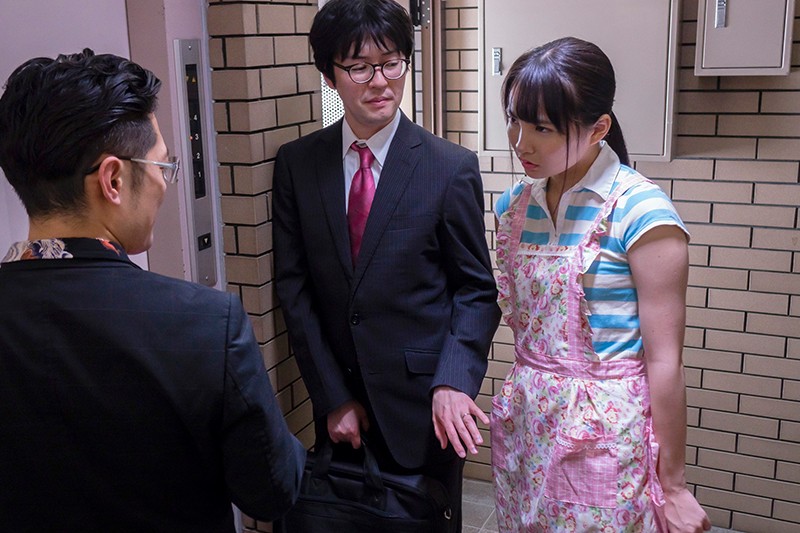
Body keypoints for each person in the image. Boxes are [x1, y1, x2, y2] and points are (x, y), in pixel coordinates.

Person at [0, 49, 304, 532]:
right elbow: (272, 489)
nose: (165, 183)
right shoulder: (206, 325)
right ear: (113, 179)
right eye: (162, 166)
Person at [272, 0, 500, 529]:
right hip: (340, 408)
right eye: (359, 67)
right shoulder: (298, 164)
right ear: (329, 74)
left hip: (425, 409)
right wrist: (332, 397)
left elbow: (476, 291)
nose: (380, 81)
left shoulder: (448, 168)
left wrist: (453, 382)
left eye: (392, 62)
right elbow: (294, 287)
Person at [490, 37, 712, 532]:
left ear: (599, 129)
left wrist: (674, 485)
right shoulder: (513, 207)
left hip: (604, 430)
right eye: (514, 120)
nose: (521, 142)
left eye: (542, 127)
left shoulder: (642, 213)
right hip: (530, 419)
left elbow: (664, 360)